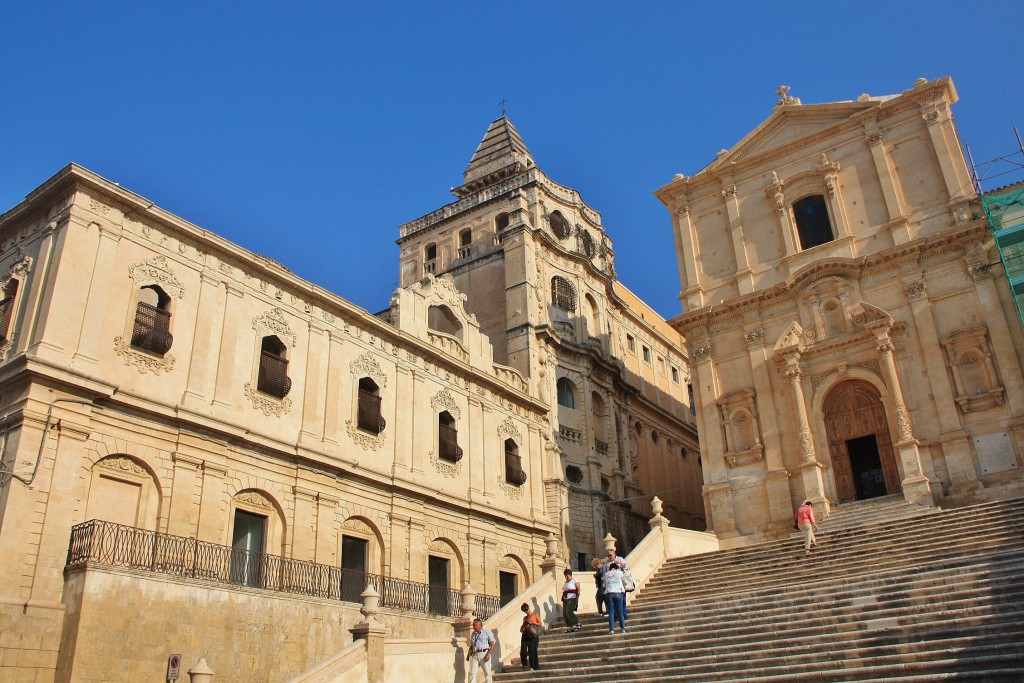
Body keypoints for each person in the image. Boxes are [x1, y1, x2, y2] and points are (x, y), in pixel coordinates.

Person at [603, 555, 628, 634]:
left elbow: (604, 585)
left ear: (610, 568)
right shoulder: (619, 572)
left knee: (611, 612)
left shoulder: (606, 574)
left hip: (609, 593)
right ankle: (622, 629)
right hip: (618, 592)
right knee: (620, 612)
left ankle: (612, 630)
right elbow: (625, 582)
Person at [467, 617, 495, 683]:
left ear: (480, 625)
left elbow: (492, 644)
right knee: (472, 673)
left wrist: (488, 654)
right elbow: (472, 645)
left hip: (484, 653)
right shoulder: (473, 634)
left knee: (487, 673)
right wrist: (469, 655)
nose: (473, 626)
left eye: (474, 625)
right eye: (473, 625)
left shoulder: (487, 632)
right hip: (475, 654)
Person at [519, 602, 542, 670]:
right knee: (523, 650)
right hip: (525, 634)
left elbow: (540, 624)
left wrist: (532, 622)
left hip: (533, 634)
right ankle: (524, 664)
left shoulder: (535, 614)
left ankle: (533, 666)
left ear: (528, 607)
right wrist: (525, 623)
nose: (526, 611)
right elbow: (522, 627)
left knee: (532, 650)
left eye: (526, 609)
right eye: (524, 610)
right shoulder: (525, 618)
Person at [561, 568, 581, 632]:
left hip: (572, 598)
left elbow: (578, 589)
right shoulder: (565, 582)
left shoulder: (574, 580)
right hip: (565, 599)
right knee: (564, 613)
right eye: (565, 576)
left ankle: (577, 623)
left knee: (568, 611)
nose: (566, 577)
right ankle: (570, 627)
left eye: (567, 575)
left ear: (570, 575)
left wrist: (577, 598)